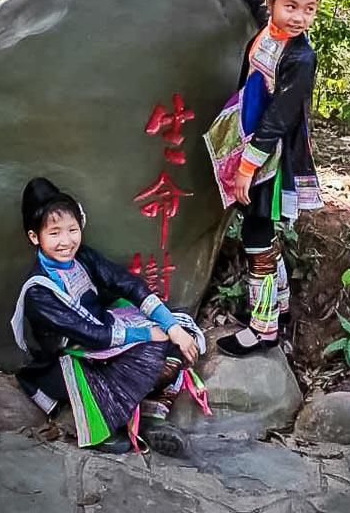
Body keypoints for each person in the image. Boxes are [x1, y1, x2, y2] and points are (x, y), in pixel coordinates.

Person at [11, 177, 208, 455]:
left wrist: (171, 326)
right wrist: (144, 333)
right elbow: (92, 335)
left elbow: (125, 282)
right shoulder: (38, 292)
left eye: (72, 230)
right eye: (54, 233)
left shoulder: (82, 256)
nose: (66, 241)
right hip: (72, 359)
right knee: (150, 350)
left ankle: (151, 414)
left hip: (104, 332)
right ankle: (107, 421)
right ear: (35, 237)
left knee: (180, 331)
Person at [204, 0, 326, 357]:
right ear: (275, 3)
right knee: (262, 232)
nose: (299, 17)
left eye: (309, 9)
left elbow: (278, 119)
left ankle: (263, 327)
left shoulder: (300, 57)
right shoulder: (269, 28)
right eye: (291, 6)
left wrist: (245, 169)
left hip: (270, 156)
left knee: (256, 235)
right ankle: (282, 303)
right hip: (252, 140)